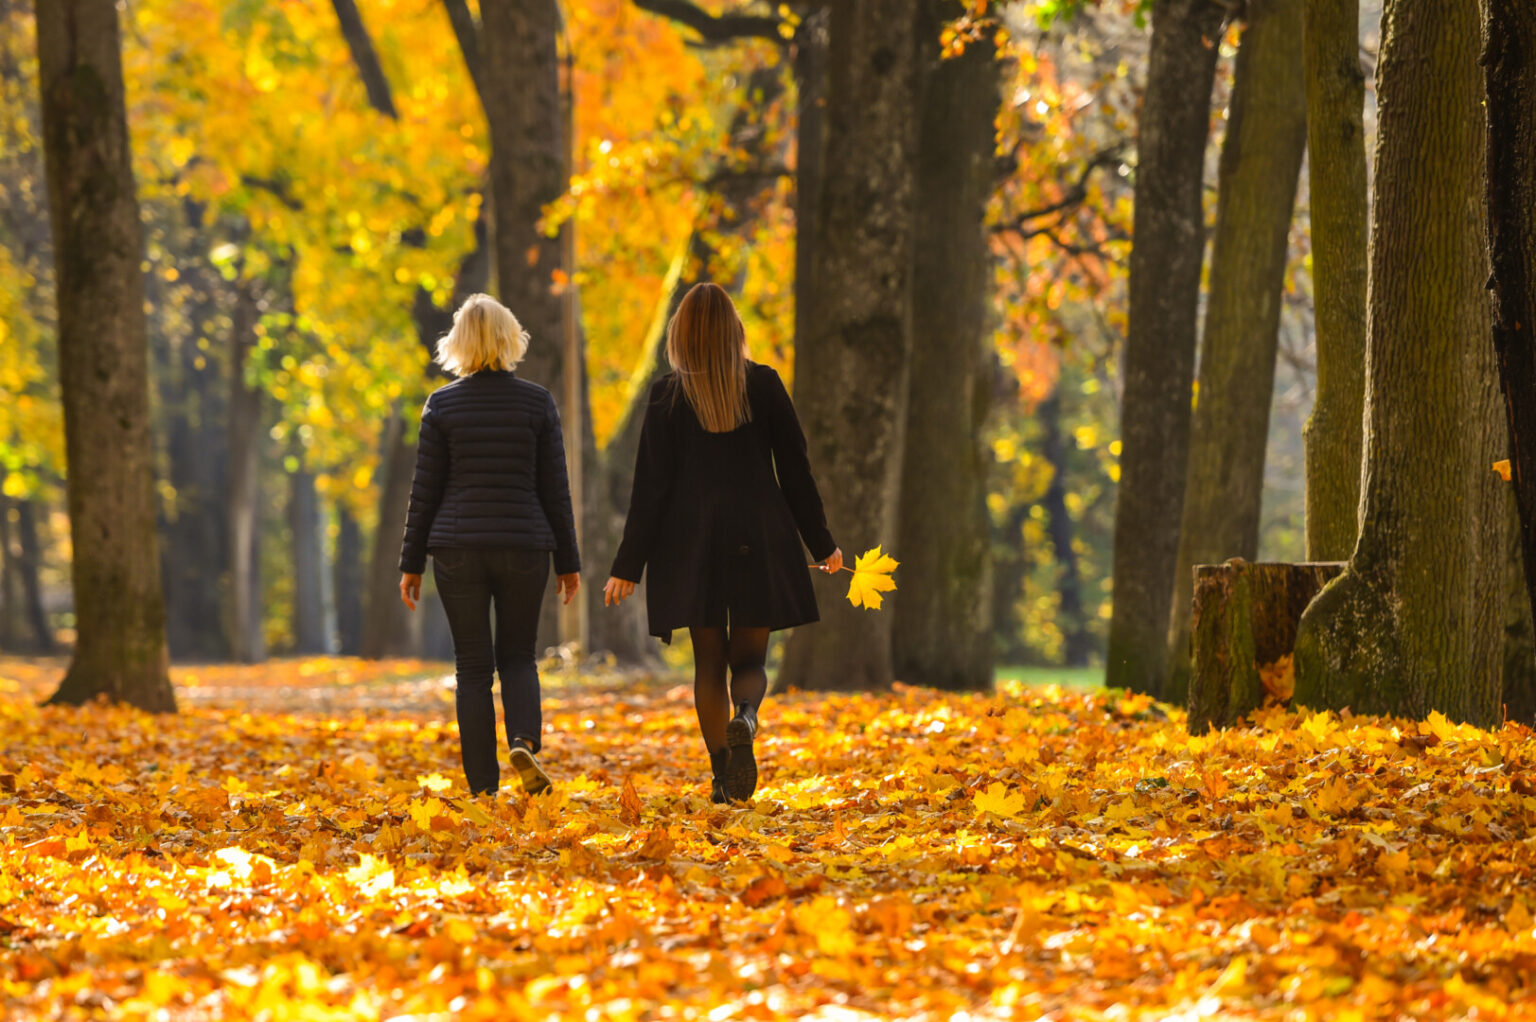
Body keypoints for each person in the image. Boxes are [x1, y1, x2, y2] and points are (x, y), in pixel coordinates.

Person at [604, 282, 841, 803]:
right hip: (760, 534)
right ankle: (748, 718)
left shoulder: (667, 394)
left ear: (680, 335)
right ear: (736, 331)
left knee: (708, 664)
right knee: (750, 661)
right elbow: (796, 473)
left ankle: (721, 773)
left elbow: (650, 489)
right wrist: (822, 545)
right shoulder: (765, 385)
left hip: (690, 544)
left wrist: (628, 565)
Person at [398, 293, 580, 797]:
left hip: (457, 548)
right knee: (519, 655)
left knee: (473, 668)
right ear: (509, 339)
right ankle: (523, 739)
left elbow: (425, 491)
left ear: (457, 343)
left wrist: (410, 564)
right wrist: (569, 562)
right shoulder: (537, 402)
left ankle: (483, 788)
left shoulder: (442, 404)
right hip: (525, 543)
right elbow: (555, 490)